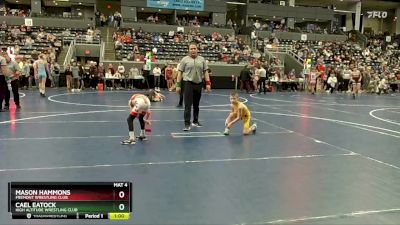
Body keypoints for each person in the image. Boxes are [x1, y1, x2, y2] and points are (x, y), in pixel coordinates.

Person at [176, 43, 211, 131]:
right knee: (188, 105)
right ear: (188, 50)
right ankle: (187, 124)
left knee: (196, 104)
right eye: (191, 49)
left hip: (198, 83)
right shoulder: (184, 60)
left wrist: (208, 83)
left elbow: (206, 72)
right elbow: (179, 73)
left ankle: (195, 121)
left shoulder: (202, 60)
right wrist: (178, 85)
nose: (193, 50)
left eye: (194, 48)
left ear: (197, 49)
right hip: (188, 83)